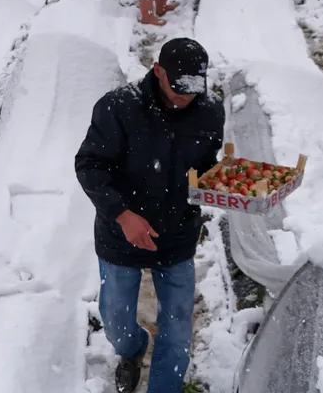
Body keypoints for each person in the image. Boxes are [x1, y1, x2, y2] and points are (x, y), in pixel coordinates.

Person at [76, 38, 225, 393]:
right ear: (158, 71)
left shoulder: (210, 110)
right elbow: (89, 164)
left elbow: (204, 164)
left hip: (177, 232)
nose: (184, 98)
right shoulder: (119, 107)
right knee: (116, 321)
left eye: (192, 90)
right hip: (121, 234)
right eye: (177, 88)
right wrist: (122, 215)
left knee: (176, 325)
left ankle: (165, 387)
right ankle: (132, 349)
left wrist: (219, 181)